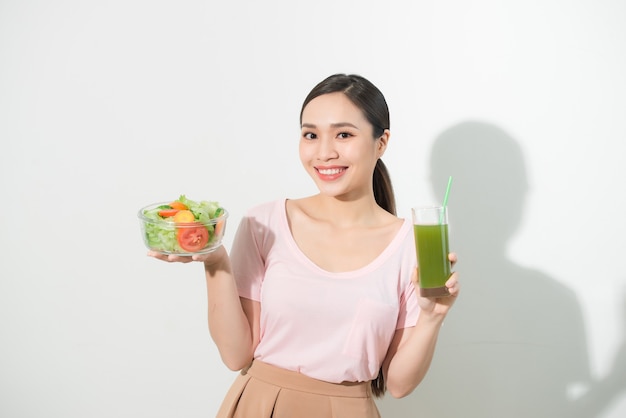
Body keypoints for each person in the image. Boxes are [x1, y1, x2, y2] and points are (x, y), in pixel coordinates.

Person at [149, 73, 460, 417]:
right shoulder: (264, 223)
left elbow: (399, 384)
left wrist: (432, 318)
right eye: (311, 135)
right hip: (259, 406)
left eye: (343, 134)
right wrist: (215, 261)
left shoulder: (412, 246)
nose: (324, 152)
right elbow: (235, 355)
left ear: (381, 142)